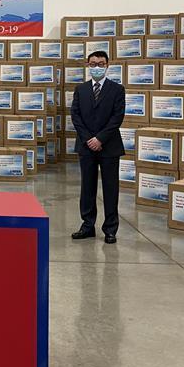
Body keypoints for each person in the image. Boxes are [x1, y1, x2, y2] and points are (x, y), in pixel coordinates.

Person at [70, 51, 125, 244]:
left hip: (109, 146)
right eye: (93, 64)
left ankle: (110, 229)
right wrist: (89, 139)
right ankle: (87, 226)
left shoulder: (117, 89)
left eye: (101, 64)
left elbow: (117, 117)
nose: (97, 67)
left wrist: (100, 139)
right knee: (87, 187)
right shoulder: (80, 89)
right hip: (86, 147)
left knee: (110, 188)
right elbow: (75, 116)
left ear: (107, 65)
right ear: (88, 65)